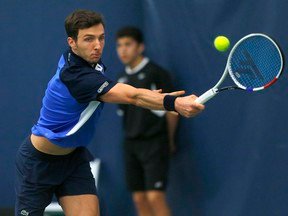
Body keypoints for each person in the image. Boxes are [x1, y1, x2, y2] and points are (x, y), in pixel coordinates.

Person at [15, 9, 204, 216]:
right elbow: (133, 97)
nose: (97, 45)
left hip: (73, 160)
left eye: (101, 38)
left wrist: (154, 98)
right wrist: (173, 103)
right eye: (88, 39)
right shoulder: (75, 76)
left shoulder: (90, 64)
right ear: (72, 42)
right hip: (39, 162)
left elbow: (135, 95)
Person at [115, 26, 178, 216]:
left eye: (128, 44)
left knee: (154, 197)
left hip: (155, 142)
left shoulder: (157, 73)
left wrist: (170, 140)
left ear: (140, 47)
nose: (123, 50)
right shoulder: (121, 79)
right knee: (139, 199)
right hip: (131, 144)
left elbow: (172, 111)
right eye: (119, 45)